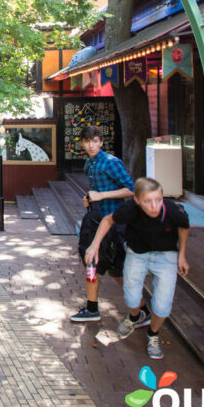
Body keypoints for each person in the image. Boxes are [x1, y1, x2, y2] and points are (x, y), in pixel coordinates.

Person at [85, 177, 190, 360]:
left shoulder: (173, 211)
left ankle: (153, 334)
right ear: (137, 200)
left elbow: (183, 227)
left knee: (163, 305)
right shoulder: (130, 210)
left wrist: (182, 254)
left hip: (166, 256)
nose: (154, 206)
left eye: (158, 199)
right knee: (131, 297)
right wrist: (94, 245)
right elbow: (108, 221)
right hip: (137, 254)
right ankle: (134, 316)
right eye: (148, 201)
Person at [70, 126, 143, 323]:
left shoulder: (111, 163)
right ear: (82, 144)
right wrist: (89, 199)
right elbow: (95, 190)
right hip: (94, 220)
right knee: (90, 261)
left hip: (113, 223)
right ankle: (92, 307)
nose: (91, 145)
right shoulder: (90, 163)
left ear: (101, 142)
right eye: (87, 141)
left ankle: (142, 310)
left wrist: (102, 195)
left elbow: (133, 189)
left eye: (95, 141)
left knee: (117, 269)